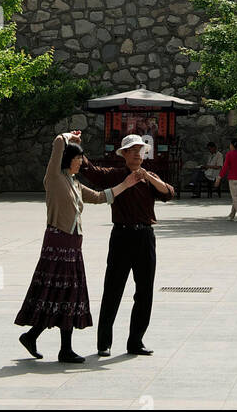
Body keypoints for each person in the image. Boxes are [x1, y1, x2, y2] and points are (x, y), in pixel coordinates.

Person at [15, 130, 142, 363]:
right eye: (77, 159)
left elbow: (102, 196)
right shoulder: (54, 178)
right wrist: (68, 137)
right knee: (58, 292)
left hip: (73, 245)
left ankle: (38, 338)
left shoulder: (75, 184)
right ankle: (57, 346)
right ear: (68, 160)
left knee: (66, 295)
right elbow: (56, 145)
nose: (81, 163)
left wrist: (126, 183)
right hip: (57, 243)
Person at [80, 133, 176, 357]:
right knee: (113, 290)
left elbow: (169, 193)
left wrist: (148, 177)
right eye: (131, 150)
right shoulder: (115, 175)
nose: (136, 154)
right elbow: (91, 172)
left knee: (144, 292)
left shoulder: (149, 177)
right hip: (121, 236)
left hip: (145, 237)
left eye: (140, 150)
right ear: (123, 154)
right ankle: (104, 343)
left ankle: (136, 341)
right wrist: (77, 147)